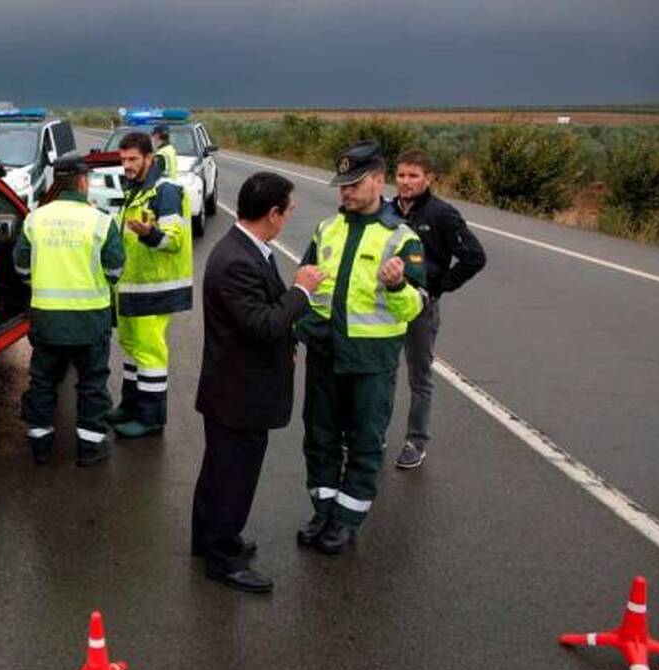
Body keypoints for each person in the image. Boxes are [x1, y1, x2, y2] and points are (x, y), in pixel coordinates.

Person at [192, 173, 325, 593]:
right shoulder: (236, 261)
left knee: (219, 470)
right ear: (272, 213)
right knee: (234, 476)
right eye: (287, 211)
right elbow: (263, 324)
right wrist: (301, 293)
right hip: (239, 393)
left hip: (234, 387)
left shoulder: (250, 250)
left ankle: (208, 539)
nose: (289, 218)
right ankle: (223, 559)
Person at [294, 140, 427, 555]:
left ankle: (348, 520)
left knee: (365, 442)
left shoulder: (401, 239)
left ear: (377, 181)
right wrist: (298, 330)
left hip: (370, 362)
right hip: (325, 355)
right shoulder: (325, 229)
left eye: (354, 184)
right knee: (319, 437)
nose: (345, 192)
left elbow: (415, 307)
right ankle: (324, 509)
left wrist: (398, 285)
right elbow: (307, 286)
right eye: (342, 184)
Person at [14, 154, 125, 466]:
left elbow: (21, 267)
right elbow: (115, 269)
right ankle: (90, 448)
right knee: (92, 383)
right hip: (90, 319)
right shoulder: (101, 221)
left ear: (55, 182)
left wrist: (43, 283)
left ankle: (41, 447)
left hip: (47, 319)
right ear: (82, 181)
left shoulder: (35, 219)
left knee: (43, 381)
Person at [391, 148, 486, 470]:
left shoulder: (442, 214)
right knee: (382, 373)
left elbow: (475, 256)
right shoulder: (385, 211)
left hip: (421, 308)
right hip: (387, 305)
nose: (406, 181)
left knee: (420, 377)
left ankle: (415, 442)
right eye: (401, 174)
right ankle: (373, 434)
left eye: (413, 175)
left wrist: (439, 287)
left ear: (429, 178)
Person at [108, 131, 194, 438]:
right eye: (123, 160)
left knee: (150, 353)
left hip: (154, 289)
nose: (127, 165)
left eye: (132, 159)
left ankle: (151, 418)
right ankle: (130, 406)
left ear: (149, 158)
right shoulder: (135, 190)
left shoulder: (165, 191)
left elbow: (173, 241)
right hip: (131, 287)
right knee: (130, 349)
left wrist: (148, 234)